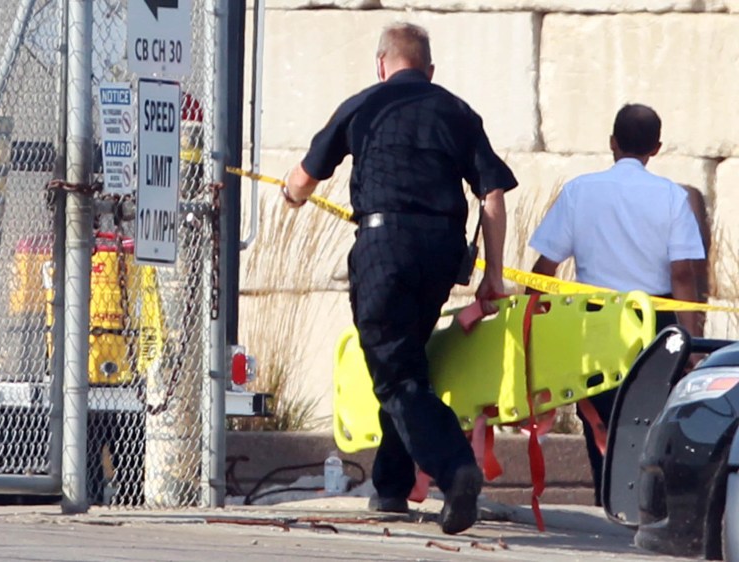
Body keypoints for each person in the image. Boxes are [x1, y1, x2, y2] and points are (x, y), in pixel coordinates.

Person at [283, 22, 518, 534]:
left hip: (383, 248)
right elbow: (493, 196)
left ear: (380, 64)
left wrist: (289, 195)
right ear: (430, 70)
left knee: (393, 372)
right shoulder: (456, 110)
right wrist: (492, 275)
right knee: (406, 358)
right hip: (440, 252)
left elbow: (302, 180)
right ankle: (390, 487)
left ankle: (457, 470)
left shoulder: (365, 104)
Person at [528, 103, 706, 506]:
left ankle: (605, 503)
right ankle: (646, 504)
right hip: (654, 323)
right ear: (656, 148)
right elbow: (682, 275)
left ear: (612, 142)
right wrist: (692, 340)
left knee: (601, 418)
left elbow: (544, 268)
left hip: (595, 323)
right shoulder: (673, 198)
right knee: (652, 415)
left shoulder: (579, 191)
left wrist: (529, 322)